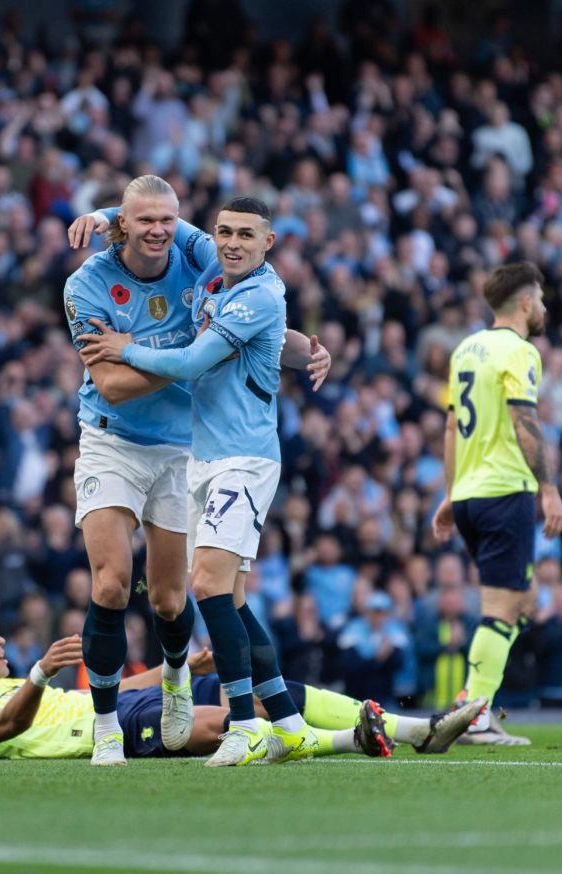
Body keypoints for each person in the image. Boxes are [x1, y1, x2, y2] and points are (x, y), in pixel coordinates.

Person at [81, 196, 425, 767]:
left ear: (270, 243)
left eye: (247, 235)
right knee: (231, 601)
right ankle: (287, 723)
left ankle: (244, 726)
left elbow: (191, 363)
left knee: (208, 585)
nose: (233, 242)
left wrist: (124, 347)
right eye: (225, 232)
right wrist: (104, 213)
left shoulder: (259, 294)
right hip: (203, 459)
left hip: (245, 459)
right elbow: (156, 215)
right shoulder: (209, 254)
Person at [62, 177, 328, 766]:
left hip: (186, 447)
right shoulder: (86, 285)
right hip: (114, 440)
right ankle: (106, 725)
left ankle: (179, 679)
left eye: (166, 220)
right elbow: (111, 385)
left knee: (169, 598)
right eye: (142, 221)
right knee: (110, 581)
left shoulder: (200, 252)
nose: (158, 230)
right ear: (123, 226)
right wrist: (199, 351)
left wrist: (294, 345)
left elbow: (248, 310)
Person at [0, 609, 479, 761]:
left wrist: (183, 672)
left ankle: (418, 729)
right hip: (106, 734)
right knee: (224, 724)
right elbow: (5, 727)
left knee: (267, 689)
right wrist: (38, 672)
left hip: (118, 707)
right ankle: (348, 740)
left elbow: (114, 692)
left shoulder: (27, 685)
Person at [433, 261, 562, 745]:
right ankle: (475, 713)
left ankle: (473, 697)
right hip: (505, 490)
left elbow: (451, 426)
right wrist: (548, 488)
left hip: (470, 494)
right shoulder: (520, 350)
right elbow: (523, 419)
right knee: (501, 607)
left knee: (523, 600)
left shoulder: (466, 349)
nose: (545, 307)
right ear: (527, 302)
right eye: (543, 299)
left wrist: (450, 494)